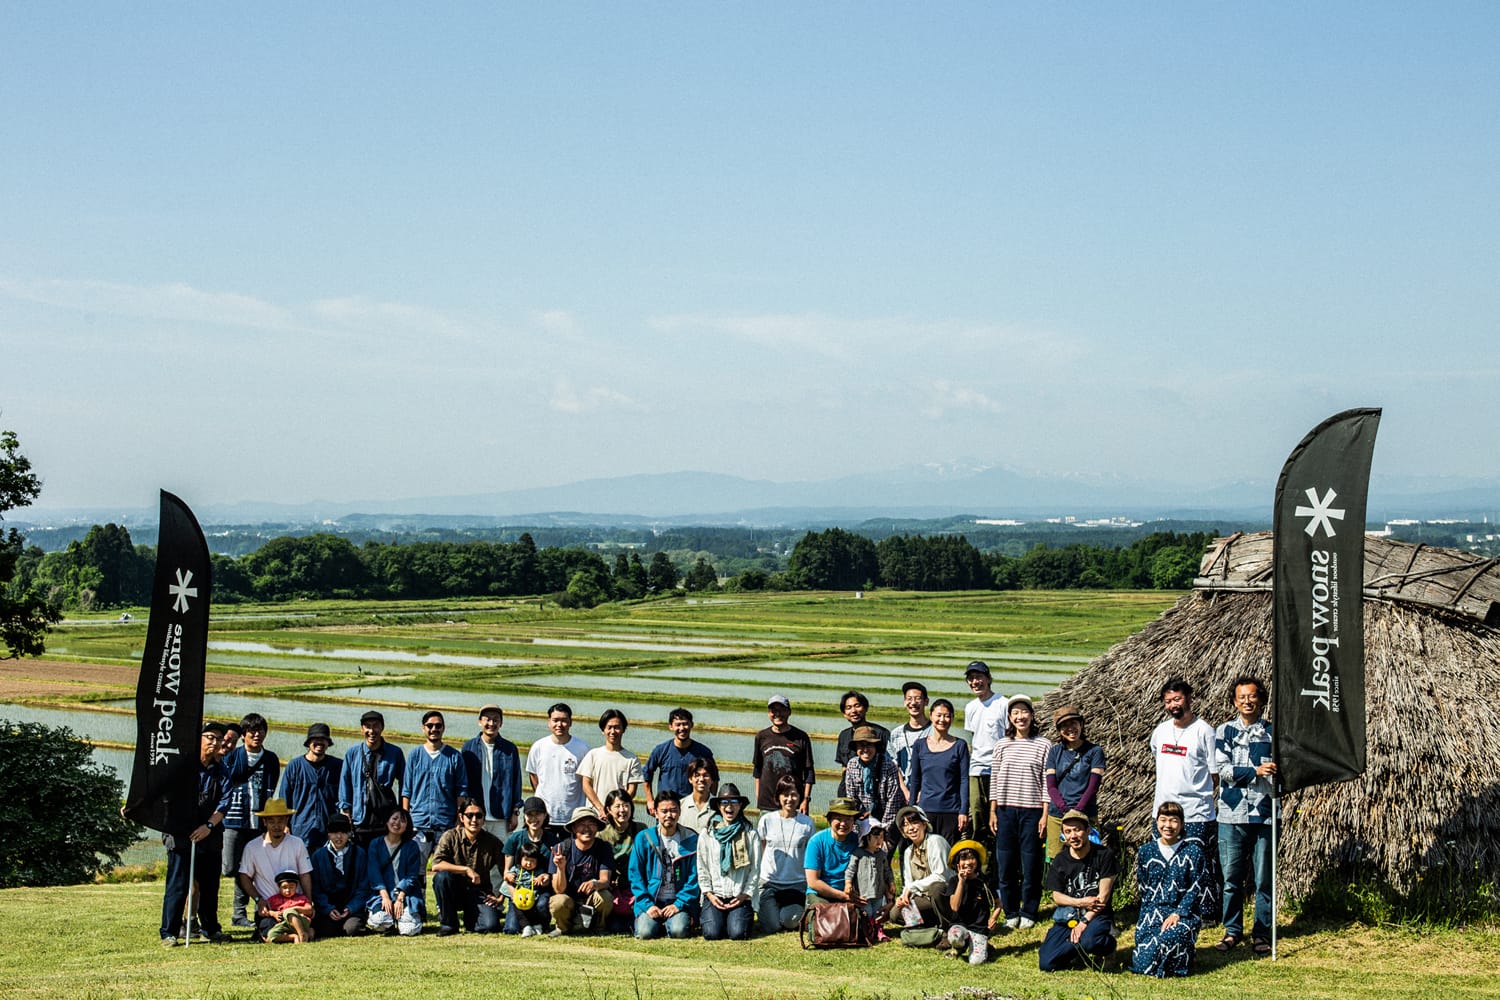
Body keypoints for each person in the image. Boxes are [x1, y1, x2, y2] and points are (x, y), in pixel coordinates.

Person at [1214, 674, 1276, 956]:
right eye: (1242, 697)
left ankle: (1262, 932)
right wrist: (1255, 772)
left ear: (1261, 699)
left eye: (1252, 696)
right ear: (1234, 702)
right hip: (1231, 813)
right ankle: (1232, 930)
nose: (1247, 701)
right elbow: (1223, 770)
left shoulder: (1273, 732)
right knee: (1231, 878)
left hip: (1265, 812)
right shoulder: (1225, 731)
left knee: (1264, 878)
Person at [1151, 678, 1221, 923]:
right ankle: (1169, 908)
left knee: (1200, 863)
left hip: (1196, 812)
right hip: (1163, 811)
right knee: (1166, 861)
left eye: (1177, 699)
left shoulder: (1204, 731)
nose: (1173, 705)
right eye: (1168, 701)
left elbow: (1214, 773)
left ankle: (1207, 912)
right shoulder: (1160, 731)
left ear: (1189, 698)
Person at [159, 722, 233, 947]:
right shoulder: (182, 766)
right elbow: (161, 791)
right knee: (178, 885)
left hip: (210, 835)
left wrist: (208, 826)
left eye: (218, 738)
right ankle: (169, 932)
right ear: (198, 738)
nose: (214, 742)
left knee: (210, 886)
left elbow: (225, 803)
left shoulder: (222, 771)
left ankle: (211, 929)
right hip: (181, 834)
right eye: (210, 737)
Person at [989, 693, 1051, 930]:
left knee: (1030, 865)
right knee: (1005, 864)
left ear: (1032, 715)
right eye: (1015, 712)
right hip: (1005, 810)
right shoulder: (1002, 745)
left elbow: (1047, 782)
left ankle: (1029, 911)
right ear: (1010, 717)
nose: (1020, 716)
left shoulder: (1043, 745)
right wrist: (993, 810)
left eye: (1024, 711)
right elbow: (994, 779)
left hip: (1032, 812)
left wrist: (1045, 814)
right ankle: (1011, 912)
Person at [1132, 801, 1206, 978]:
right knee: (1142, 963)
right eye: (1163, 820)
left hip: (1183, 913)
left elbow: (1196, 887)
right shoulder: (1146, 851)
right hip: (1152, 912)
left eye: (1173, 820)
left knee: (1170, 936)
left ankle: (1181, 957)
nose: (1168, 825)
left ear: (1182, 824)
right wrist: (1148, 915)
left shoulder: (1193, 852)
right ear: (1157, 822)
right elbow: (1143, 886)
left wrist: (1178, 913)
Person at [1039, 810, 1119, 972]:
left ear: (1088, 831)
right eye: (1068, 832)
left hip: (1096, 914)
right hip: (1068, 915)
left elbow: (1103, 897)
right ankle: (1077, 948)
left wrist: (1083, 923)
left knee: (1090, 941)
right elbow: (1057, 896)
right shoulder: (1061, 860)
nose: (1073, 836)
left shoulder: (1104, 855)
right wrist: (1080, 902)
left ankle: (1108, 947)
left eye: (1077, 830)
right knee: (1046, 963)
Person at [221, 712, 281, 928]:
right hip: (233, 820)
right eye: (252, 731)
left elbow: (271, 788)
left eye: (260, 731)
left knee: (250, 868)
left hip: (258, 822)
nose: (257, 735)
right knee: (230, 867)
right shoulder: (232, 757)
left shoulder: (271, 759)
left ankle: (241, 913)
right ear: (243, 735)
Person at [236, 797, 313, 943]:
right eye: (272, 821)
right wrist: (258, 900)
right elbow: (244, 876)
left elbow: (305, 874)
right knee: (269, 932)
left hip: (295, 905)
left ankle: (297, 932)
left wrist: (308, 901)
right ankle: (294, 935)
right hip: (270, 909)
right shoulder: (252, 847)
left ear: (287, 821)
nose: (276, 826)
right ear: (264, 822)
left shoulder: (297, 843)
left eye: (280, 821)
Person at [628, 790, 700, 939]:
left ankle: (673, 922)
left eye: (673, 810)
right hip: (652, 900)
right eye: (664, 811)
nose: (669, 815)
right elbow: (635, 876)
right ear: (655, 813)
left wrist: (678, 904)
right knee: (645, 933)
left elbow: (695, 878)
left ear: (679, 812)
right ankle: (652, 923)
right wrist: (648, 905)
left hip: (678, 901)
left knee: (679, 931)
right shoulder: (644, 838)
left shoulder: (691, 839)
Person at [431, 796, 505, 935]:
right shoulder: (450, 836)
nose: (474, 820)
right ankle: (449, 924)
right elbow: (436, 865)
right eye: (469, 815)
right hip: (454, 889)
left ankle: (471, 919)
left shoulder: (493, 842)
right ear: (461, 817)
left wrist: (501, 897)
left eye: (478, 816)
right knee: (441, 878)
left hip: (479, 892)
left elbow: (507, 871)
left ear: (484, 818)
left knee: (490, 926)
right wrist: (465, 870)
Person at [697, 783, 760, 941]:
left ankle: (735, 918)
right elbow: (702, 867)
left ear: (740, 805)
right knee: (712, 934)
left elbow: (755, 869)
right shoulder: (707, 834)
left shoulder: (750, 834)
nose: (729, 807)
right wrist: (709, 894)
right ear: (719, 806)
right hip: (715, 895)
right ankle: (720, 918)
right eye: (724, 802)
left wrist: (744, 895)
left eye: (734, 802)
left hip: (739, 896)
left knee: (737, 933)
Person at [404, 710, 468, 866]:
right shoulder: (415, 755)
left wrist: (459, 820)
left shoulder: (454, 757)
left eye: (438, 726)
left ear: (443, 728)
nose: (434, 729)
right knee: (415, 870)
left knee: (444, 872)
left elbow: (461, 791)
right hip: (418, 824)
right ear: (423, 728)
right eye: (430, 726)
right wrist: (406, 820)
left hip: (445, 824)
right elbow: (406, 790)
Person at [756, 774, 816, 933]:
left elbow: (810, 856)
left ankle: (786, 911)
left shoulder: (807, 823)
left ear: (800, 796)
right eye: (785, 794)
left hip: (797, 883)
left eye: (794, 794)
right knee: (772, 926)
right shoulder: (767, 820)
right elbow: (761, 849)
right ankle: (772, 909)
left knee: (789, 921)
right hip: (770, 883)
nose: (790, 799)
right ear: (778, 797)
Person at [1043, 706, 1105, 859]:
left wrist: (1077, 812)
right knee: (1058, 860)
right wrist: (1065, 810)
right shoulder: (1055, 751)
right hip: (1058, 815)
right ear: (1059, 730)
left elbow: (1093, 787)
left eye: (1073, 723)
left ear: (1081, 724)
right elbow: (1051, 786)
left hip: (1085, 814)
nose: (1070, 728)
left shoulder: (1095, 751)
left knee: (1088, 859)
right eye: (1064, 725)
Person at [338, 710, 405, 848]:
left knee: (384, 858)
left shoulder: (395, 753)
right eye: (368, 726)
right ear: (362, 729)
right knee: (359, 858)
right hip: (359, 818)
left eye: (375, 726)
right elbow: (345, 784)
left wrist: (402, 812)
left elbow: (405, 784)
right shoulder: (352, 753)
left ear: (382, 727)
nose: (372, 731)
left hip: (385, 820)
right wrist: (346, 811)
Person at [961, 662, 1007, 859]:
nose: (975, 682)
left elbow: (1009, 736)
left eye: (979, 677)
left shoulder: (1003, 704)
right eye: (971, 678)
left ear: (988, 679)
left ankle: (999, 863)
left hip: (999, 770)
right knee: (978, 819)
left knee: (999, 819)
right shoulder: (970, 707)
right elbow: (974, 738)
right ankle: (981, 864)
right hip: (976, 770)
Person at [908, 698, 970, 844]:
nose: (942, 719)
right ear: (931, 716)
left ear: (952, 718)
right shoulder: (920, 745)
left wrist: (963, 811)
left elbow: (964, 780)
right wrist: (911, 808)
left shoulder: (960, 745)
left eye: (947, 716)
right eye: (939, 715)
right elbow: (915, 779)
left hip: (951, 810)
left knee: (948, 852)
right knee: (925, 850)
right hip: (926, 810)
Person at [547, 806, 615, 937]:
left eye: (591, 824)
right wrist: (561, 868)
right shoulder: (561, 849)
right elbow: (559, 890)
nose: (587, 828)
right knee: (558, 901)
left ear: (597, 827)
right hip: (569, 899)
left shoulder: (604, 847)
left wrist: (595, 884)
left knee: (605, 897)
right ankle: (563, 928)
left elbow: (605, 880)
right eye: (582, 824)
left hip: (591, 898)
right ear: (573, 828)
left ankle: (598, 927)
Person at [502, 796, 564, 935]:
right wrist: (514, 891)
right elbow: (506, 872)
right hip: (519, 890)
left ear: (545, 815)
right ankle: (526, 924)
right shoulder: (515, 839)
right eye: (530, 814)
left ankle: (541, 924)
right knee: (511, 929)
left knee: (541, 905)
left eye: (538, 814)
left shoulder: (553, 841)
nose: (534, 819)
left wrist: (547, 877)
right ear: (524, 816)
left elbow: (554, 873)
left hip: (541, 890)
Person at [461, 705, 523, 841]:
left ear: (501, 723)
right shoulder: (468, 748)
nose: (491, 723)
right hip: (475, 815)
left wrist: (515, 812)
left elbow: (516, 781)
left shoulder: (510, 749)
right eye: (487, 719)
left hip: (501, 815)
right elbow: (462, 782)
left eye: (495, 720)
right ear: (480, 722)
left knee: (501, 852)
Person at [526, 703, 591, 834]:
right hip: (544, 816)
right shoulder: (538, 747)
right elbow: (533, 776)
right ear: (549, 722)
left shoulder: (582, 748)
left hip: (573, 816)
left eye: (564, 720)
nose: (559, 724)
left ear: (571, 722)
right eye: (555, 720)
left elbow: (587, 780)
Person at [642, 707, 718, 818]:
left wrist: (709, 802)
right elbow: (646, 775)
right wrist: (650, 800)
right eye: (678, 724)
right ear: (671, 726)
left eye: (685, 724)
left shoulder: (703, 752)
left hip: (692, 807)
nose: (682, 728)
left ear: (691, 725)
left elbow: (714, 779)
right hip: (666, 807)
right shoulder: (661, 750)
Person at [281, 722, 342, 855]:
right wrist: (284, 825)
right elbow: (284, 799)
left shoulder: (338, 766)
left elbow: (345, 798)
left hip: (328, 832)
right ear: (308, 742)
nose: (320, 742)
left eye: (323, 739)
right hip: (300, 830)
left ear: (328, 743)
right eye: (316, 739)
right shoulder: (294, 766)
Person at [365, 805, 425, 936]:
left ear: (407, 826)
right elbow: (374, 872)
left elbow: (412, 876)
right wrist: (385, 897)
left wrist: (400, 898)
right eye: (394, 818)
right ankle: (391, 920)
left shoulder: (412, 846)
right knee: (379, 922)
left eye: (402, 821)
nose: (397, 823)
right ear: (387, 821)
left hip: (406, 894)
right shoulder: (375, 844)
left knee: (410, 930)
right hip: (382, 894)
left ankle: (404, 918)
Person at [752, 694, 815, 815]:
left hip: (793, 802)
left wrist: (805, 799)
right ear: (768, 713)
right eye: (773, 710)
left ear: (789, 712)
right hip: (767, 804)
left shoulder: (801, 737)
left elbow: (809, 772)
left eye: (782, 710)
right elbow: (757, 769)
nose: (778, 714)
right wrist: (758, 795)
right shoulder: (761, 737)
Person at [939, 841, 1000, 965]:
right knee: (954, 937)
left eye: (971, 858)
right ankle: (959, 947)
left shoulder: (985, 881)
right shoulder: (954, 881)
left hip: (979, 928)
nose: (967, 862)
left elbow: (998, 904)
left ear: (977, 861)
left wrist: (993, 918)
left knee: (976, 962)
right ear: (958, 863)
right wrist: (961, 882)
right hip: (960, 926)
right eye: (963, 859)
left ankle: (983, 945)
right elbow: (954, 907)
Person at [891, 805, 951, 929]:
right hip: (924, 897)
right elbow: (908, 882)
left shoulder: (936, 841)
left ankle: (948, 926)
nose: (911, 828)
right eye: (905, 825)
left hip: (946, 896)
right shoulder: (908, 852)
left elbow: (941, 876)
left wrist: (912, 887)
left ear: (924, 824)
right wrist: (903, 897)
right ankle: (930, 926)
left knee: (937, 888)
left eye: (914, 822)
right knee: (895, 914)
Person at [837, 724, 905, 830]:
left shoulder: (888, 765)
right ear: (856, 748)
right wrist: (856, 823)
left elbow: (893, 800)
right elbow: (852, 799)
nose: (865, 750)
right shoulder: (852, 765)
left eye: (869, 745)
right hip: (863, 817)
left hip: (886, 817)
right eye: (861, 745)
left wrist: (883, 829)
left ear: (875, 747)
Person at [596, 788, 647, 931]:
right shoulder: (602, 834)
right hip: (613, 886)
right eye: (617, 806)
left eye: (626, 805)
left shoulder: (641, 830)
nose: (622, 810)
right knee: (616, 926)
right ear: (608, 809)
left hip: (636, 884)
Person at [578, 709, 644, 817]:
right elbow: (586, 784)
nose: (613, 731)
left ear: (623, 729)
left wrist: (616, 809)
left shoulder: (632, 759)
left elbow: (631, 790)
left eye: (617, 727)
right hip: (595, 815)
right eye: (609, 727)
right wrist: (601, 808)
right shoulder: (593, 755)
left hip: (619, 816)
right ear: (603, 730)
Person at [309, 814, 367, 938]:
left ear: (349, 833)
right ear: (329, 834)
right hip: (328, 907)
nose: (339, 837)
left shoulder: (359, 854)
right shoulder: (318, 856)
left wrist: (351, 908)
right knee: (327, 930)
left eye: (343, 832)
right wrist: (327, 908)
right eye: (335, 832)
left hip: (351, 907)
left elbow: (363, 886)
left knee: (352, 929)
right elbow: (316, 888)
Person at [803, 797, 862, 905]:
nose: (843, 823)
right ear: (830, 820)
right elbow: (813, 881)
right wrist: (842, 896)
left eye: (848, 819)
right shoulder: (816, 842)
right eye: (838, 818)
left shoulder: (857, 841)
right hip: (820, 893)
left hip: (849, 892)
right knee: (825, 913)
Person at [887, 682, 931, 803]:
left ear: (926, 701)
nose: (913, 703)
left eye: (918, 698)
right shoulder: (896, 734)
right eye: (909, 699)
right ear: (904, 702)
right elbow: (893, 765)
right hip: (901, 795)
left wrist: (922, 792)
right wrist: (905, 791)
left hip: (929, 794)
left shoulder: (935, 731)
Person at [847, 820, 893, 936]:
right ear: (867, 837)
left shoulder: (882, 854)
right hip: (863, 892)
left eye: (881, 837)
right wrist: (848, 883)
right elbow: (850, 870)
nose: (879, 840)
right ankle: (868, 930)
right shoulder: (858, 853)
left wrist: (891, 883)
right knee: (866, 912)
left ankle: (878, 929)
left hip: (878, 892)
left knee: (878, 912)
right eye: (876, 837)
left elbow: (887, 871)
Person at [834, 691, 890, 767]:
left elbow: (891, 762)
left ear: (866, 708)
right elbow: (844, 766)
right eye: (848, 708)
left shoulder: (882, 734)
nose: (853, 711)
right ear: (844, 713)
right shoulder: (844, 736)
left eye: (857, 705)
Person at [506, 843, 550, 937]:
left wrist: (541, 878)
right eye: (526, 860)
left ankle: (538, 925)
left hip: (534, 897)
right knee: (517, 913)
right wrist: (509, 876)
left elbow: (545, 878)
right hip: (519, 898)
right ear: (520, 859)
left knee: (537, 908)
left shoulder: (539, 871)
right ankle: (526, 927)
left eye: (532, 861)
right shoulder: (516, 869)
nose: (529, 863)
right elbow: (507, 878)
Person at [263, 870, 315, 944]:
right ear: (279, 887)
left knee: (288, 911)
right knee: (271, 935)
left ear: (296, 887)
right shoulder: (273, 899)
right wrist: (273, 914)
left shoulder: (301, 898)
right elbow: (266, 911)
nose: (288, 890)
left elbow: (309, 910)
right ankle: (294, 936)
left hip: (302, 921)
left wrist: (295, 909)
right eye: (284, 887)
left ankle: (302, 934)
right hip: (285, 924)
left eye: (291, 887)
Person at [677, 757, 717, 835]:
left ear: (712, 780)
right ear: (690, 779)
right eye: (697, 775)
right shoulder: (680, 806)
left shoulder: (719, 807)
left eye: (706, 775)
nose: (701, 779)